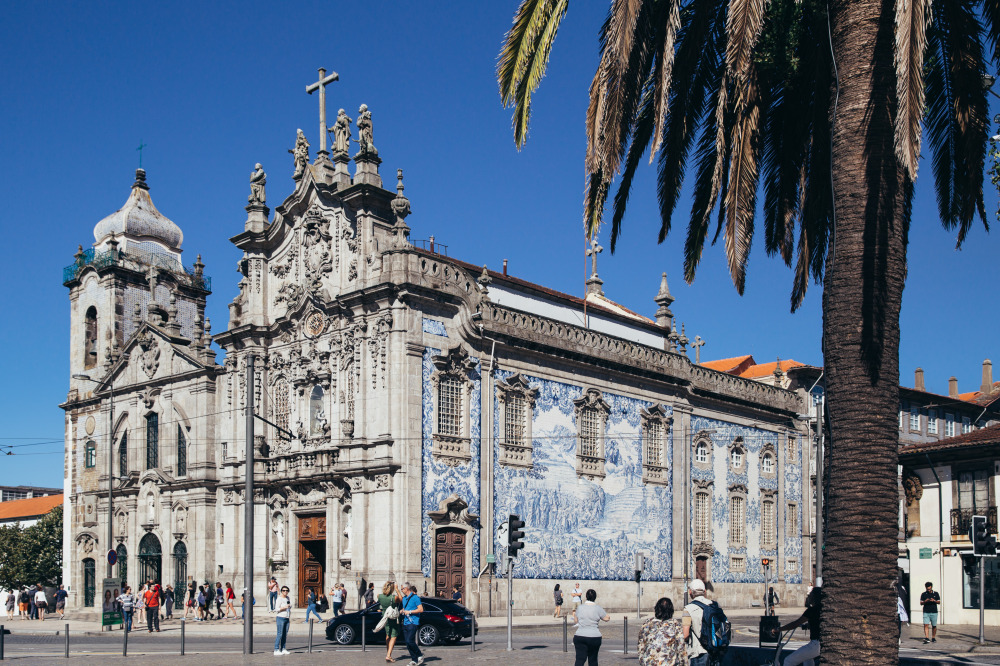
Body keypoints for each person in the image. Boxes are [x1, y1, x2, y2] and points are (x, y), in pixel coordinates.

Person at [638, 597, 685, 666]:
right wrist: (683, 663)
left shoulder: (647, 624)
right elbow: (681, 648)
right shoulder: (675, 625)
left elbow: (641, 645)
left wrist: (642, 661)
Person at [571, 588, 610, 666]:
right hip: (594, 637)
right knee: (593, 660)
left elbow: (576, 620)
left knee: (579, 660)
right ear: (595, 597)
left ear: (586, 597)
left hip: (580, 635)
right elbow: (607, 618)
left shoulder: (580, 607)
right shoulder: (598, 608)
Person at [682, 579, 712, 666]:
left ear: (690, 592)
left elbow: (685, 634)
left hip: (698, 653)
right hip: (713, 651)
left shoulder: (688, 609)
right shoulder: (713, 605)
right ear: (705, 591)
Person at [378, 581, 403, 663]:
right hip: (393, 618)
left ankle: (388, 653)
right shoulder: (393, 597)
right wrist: (397, 589)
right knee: (394, 636)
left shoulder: (379, 596)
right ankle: (388, 655)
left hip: (385, 617)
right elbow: (401, 599)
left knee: (388, 635)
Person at [401, 583, 425, 665]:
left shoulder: (415, 598)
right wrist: (402, 611)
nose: (402, 590)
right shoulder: (404, 599)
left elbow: (421, 609)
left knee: (409, 640)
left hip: (413, 622)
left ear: (407, 588)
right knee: (407, 643)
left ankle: (419, 655)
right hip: (405, 622)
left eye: (402, 589)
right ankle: (414, 660)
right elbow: (405, 608)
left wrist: (410, 612)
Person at [274, 585, 292, 656]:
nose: (285, 592)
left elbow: (289, 606)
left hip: (287, 617)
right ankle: (276, 649)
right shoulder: (279, 599)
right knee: (280, 634)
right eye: (284, 590)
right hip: (280, 617)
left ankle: (283, 648)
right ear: (281, 591)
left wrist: (289, 607)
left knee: (285, 634)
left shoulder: (288, 598)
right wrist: (284, 607)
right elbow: (277, 609)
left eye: (287, 590)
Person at [895, 581, 909, 646]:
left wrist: (904, 617)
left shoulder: (899, 598)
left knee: (899, 628)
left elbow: (902, 607)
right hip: (893, 614)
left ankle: (898, 638)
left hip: (898, 614)